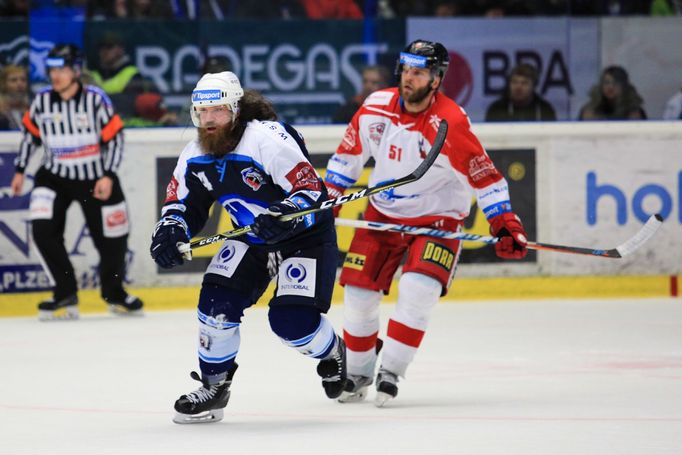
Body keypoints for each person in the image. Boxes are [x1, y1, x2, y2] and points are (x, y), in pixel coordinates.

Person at [323, 39, 528, 407]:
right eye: (405, 70)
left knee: (417, 290)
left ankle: (392, 370)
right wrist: (328, 202)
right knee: (357, 295)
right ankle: (358, 370)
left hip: (437, 220)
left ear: (436, 79)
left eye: (418, 72)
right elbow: (346, 159)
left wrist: (504, 222)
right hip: (382, 216)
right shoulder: (374, 108)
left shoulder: (450, 123)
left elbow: (486, 177)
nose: (408, 78)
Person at [150, 71, 347, 424]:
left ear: (237, 110)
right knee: (215, 302)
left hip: (304, 237)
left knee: (292, 322)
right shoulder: (195, 152)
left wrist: (286, 213)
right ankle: (214, 386)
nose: (208, 120)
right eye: (201, 112)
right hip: (253, 237)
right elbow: (182, 205)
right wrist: (170, 231)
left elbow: (311, 191)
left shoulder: (266, 139)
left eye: (218, 111)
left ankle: (332, 350)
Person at [9, 43, 143, 320]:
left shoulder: (96, 99)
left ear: (77, 70)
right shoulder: (42, 102)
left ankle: (115, 293)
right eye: (51, 70)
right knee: (43, 230)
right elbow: (30, 138)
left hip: (95, 177)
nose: (55, 75)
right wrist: (20, 170)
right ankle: (65, 292)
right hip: (54, 178)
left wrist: (108, 174)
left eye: (62, 69)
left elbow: (115, 138)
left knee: (114, 238)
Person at [88, 32, 158, 119]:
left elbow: (129, 105)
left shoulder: (132, 74)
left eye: (109, 47)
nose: (104, 51)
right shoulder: (92, 74)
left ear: (120, 49)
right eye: (101, 47)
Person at [484, 63, 556, 122]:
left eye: (524, 83)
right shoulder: (497, 110)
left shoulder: (544, 109)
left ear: (533, 86)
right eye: (514, 82)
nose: (518, 87)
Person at [579, 65, 647, 120]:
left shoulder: (635, 112)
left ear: (624, 86)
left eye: (616, 83)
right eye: (606, 83)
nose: (610, 87)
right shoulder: (590, 110)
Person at [0, 64, 30, 130]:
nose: (19, 84)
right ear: (3, 84)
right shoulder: (1, 112)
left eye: (23, 80)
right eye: (13, 80)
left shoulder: (33, 109)